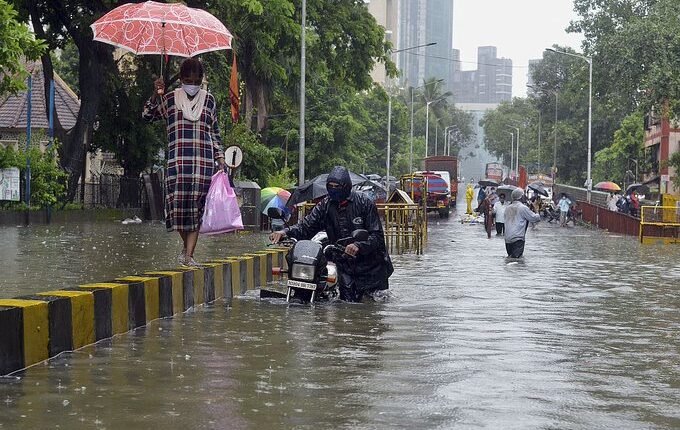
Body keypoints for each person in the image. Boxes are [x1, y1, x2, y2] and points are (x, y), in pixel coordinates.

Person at [143, 58, 225, 266]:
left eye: (197, 81)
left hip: (203, 164)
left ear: (202, 80)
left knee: (197, 210)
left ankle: (188, 256)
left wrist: (220, 156)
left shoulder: (209, 101)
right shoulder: (169, 99)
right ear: (181, 79)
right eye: (189, 80)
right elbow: (147, 116)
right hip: (178, 165)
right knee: (178, 210)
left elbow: (214, 132)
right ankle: (186, 248)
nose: (193, 84)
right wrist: (156, 93)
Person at [269, 166, 393, 302]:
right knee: (346, 305)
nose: (333, 190)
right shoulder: (325, 205)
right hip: (345, 264)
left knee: (372, 309)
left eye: (337, 186)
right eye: (330, 186)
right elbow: (306, 227)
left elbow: (377, 236)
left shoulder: (364, 203)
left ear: (346, 186)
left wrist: (358, 245)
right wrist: (284, 232)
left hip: (371, 268)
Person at [504, 188, 541, 258]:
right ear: (521, 197)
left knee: (510, 258)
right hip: (518, 238)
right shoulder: (523, 208)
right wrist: (536, 209)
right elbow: (535, 218)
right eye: (524, 196)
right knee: (517, 261)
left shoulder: (507, 208)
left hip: (508, 238)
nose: (525, 197)